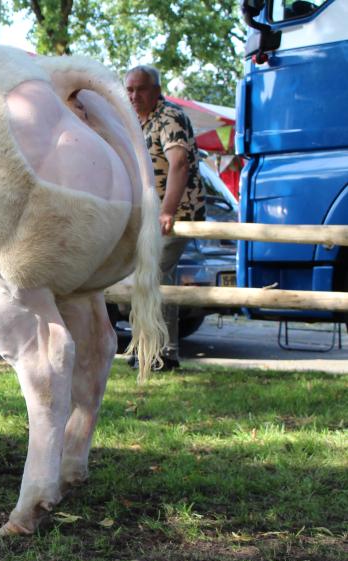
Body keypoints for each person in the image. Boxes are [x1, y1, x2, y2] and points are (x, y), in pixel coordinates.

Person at [124, 65, 205, 370]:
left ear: (157, 91)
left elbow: (179, 163)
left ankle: (163, 352)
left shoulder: (169, 117)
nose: (134, 96)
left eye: (141, 89)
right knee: (144, 277)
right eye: (129, 90)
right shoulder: (134, 122)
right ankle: (146, 348)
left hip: (176, 213)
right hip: (147, 215)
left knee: (154, 273)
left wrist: (168, 210)